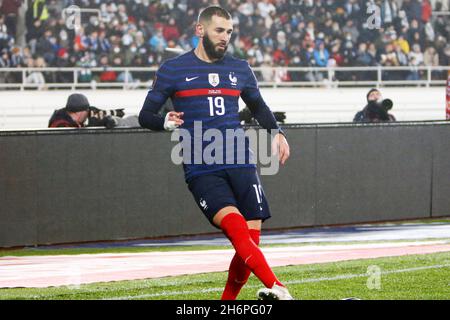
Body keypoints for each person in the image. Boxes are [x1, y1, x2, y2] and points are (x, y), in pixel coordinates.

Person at [139, 6, 293, 300]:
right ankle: (278, 287)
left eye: (229, 32)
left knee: (250, 238)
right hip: (202, 164)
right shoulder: (173, 69)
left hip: (240, 161)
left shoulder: (240, 68)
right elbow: (146, 115)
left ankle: (227, 303)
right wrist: (164, 122)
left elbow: (258, 105)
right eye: (219, 31)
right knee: (236, 228)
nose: (225, 37)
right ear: (200, 30)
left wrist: (277, 133)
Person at [48, 93, 133, 128]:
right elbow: (74, 143)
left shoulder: (67, 117)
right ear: (81, 113)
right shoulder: (60, 124)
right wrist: (91, 128)